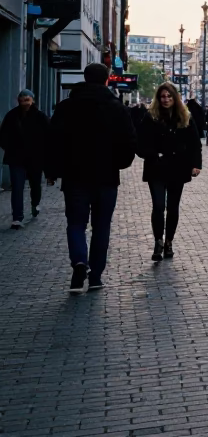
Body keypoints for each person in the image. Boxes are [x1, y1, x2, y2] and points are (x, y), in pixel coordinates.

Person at [44, 63, 137, 293]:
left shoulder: (67, 107)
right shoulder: (116, 107)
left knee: (75, 223)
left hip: (75, 175)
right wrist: (120, 163)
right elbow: (129, 141)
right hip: (106, 176)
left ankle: (78, 262)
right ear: (107, 79)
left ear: (84, 78)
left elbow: (53, 140)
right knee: (101, 226)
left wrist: (53, 170)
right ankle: (95, 275)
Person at [137, 82, 203, 261]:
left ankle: (169, 242)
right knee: (158, 206)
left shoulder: (185, 116)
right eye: (162, 96)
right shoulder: (150, 116)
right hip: (156, 167)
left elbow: (195, 143)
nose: (166, 99)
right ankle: (158, 241)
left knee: (173, 207)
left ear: (175, 98)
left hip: (177, 167)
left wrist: (196, 164)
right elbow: (140, 142)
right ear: (158, 98)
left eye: (169, 96)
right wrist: (152, 154)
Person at [1, 89, 49, 228]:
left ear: (32, 100)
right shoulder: (12, 116)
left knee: (35, 184)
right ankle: (17, 217)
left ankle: (35, 204)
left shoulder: (40, 117)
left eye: (27, 100)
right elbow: (3, 135)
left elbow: (48, 136)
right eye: (22, 101)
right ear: (18, 101)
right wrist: (10, 148)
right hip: (16, 158)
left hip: (35, 158)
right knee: (17, 187)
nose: (25, 103)